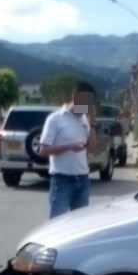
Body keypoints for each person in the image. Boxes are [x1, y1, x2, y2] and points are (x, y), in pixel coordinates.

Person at [39, 81, 99, 219]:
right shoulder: (55, 119)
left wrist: (93, 122)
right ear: (74, 97)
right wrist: (69, 147)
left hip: (83, 180)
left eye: (89, 103)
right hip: (62, 180)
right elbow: (43, 150)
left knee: (79, 225)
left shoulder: (85, 120)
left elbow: (93, 149)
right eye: (84, 102)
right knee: (57, 222)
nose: (86, 107)